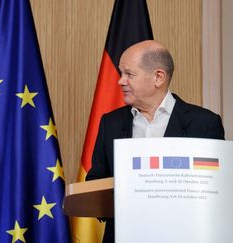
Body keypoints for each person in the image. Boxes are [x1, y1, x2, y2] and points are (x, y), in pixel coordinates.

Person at [85, 40, 225, 243]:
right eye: (121, 73)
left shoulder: (204, 123)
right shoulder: (111, 123)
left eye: (129, 74)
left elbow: (216, 194)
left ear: (158, 77)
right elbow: (96, 184)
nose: (120, 81)